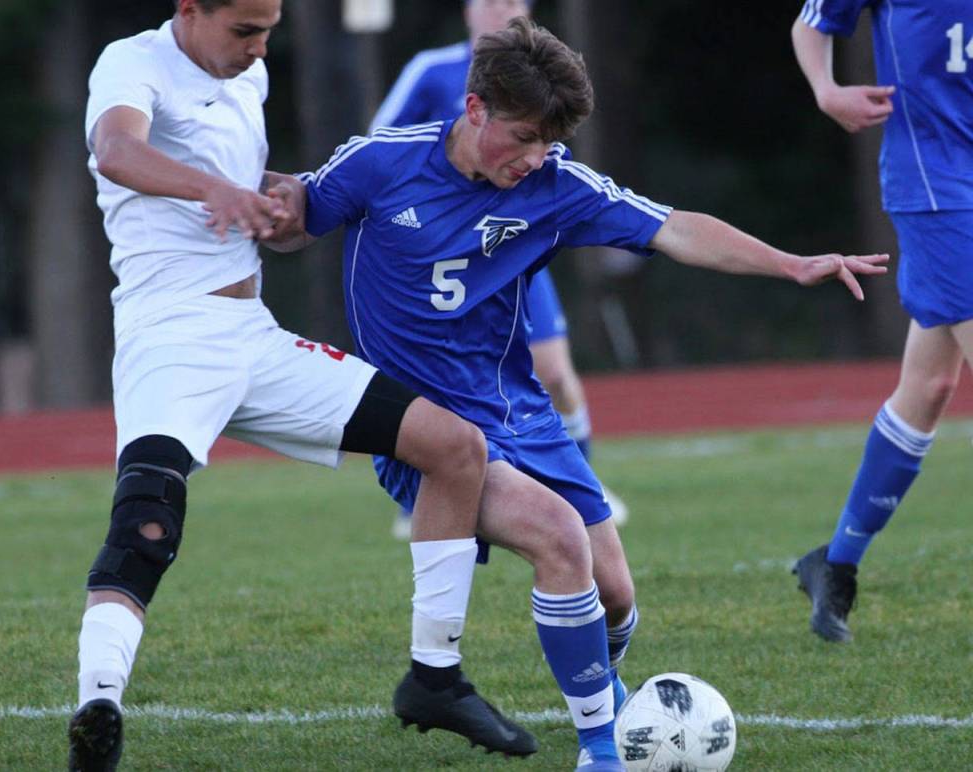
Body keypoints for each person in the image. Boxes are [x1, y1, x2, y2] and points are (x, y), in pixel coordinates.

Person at [277, 18, 887, 770]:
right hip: (424, 429)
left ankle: (602, 693)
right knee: (558, 538)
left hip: (520, 414)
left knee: (617, 596)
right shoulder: (382, 164)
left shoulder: (555, 184)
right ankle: (602, 749)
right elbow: (297, 217)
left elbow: (675, 229)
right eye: (525, 137)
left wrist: (791, 265)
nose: (536, 158)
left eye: (548, 142)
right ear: (475, 110)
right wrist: (254, 208)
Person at [67, 1, 536, 769]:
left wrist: (277, 201)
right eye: (244, 31)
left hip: (255, 336)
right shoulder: (132, 61)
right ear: (190, 9)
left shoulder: (246, 77)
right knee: (148, 523)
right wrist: (211, 190)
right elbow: (117, 151)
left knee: (454, 447)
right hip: (170, 338)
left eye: (270, 31)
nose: (258, 50)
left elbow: (253, 196)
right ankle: (98, 705)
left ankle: (435, 678)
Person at [370, 0, 628, 541]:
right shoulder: (432, 69)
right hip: (443, 256)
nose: (501, 10)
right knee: (435, 380)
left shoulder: (543, 82)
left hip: (512, 249)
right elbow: (380, 142)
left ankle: (581, 483)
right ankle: (430, 484)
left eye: (512, 1)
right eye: (491, 1)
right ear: (466, 12)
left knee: (555, 372)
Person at [790, 0, 973, 643]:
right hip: (939, 186)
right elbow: (813, 21)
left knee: (928, 389)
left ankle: (834, 564)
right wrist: (826, 90)